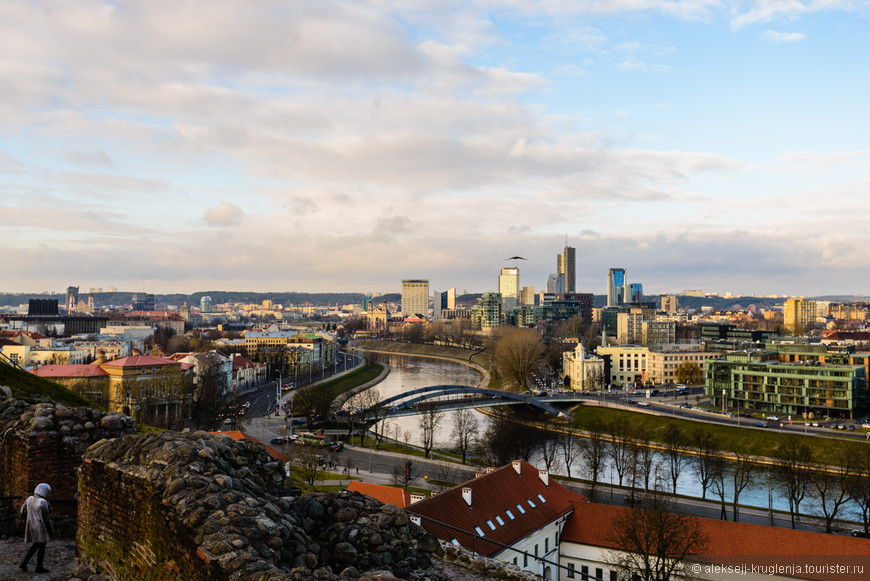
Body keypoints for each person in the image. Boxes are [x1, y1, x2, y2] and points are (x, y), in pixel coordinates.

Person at [19, 483, 53, 573]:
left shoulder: (30, 499)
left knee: (37, 546)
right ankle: (36, 566)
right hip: (40, 528)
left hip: (31, 525)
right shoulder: (42, 502)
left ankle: (26, 564)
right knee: (40, 547)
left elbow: (22, 510)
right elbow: (45, 519)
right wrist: (50, 531)